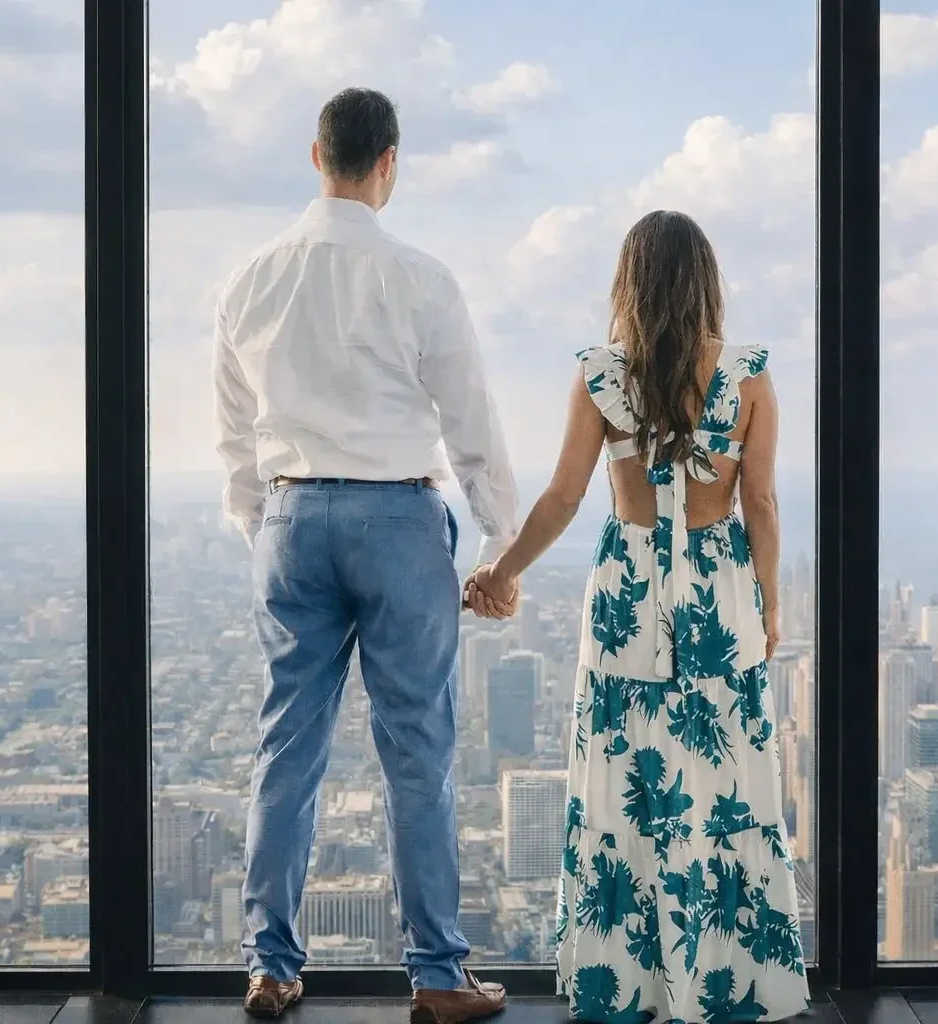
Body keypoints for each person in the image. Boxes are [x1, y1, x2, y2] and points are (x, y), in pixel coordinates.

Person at [214, 86, 519, 1023]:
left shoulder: (251, 277)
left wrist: (261, 525)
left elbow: (233, 434)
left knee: (286, 750)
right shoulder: (422, 277)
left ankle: (270, 966)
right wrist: (502, 546)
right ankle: (435, 976)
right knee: (417, 754)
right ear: (390, 162)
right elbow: (471, 423)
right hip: (396, 522)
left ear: (317, 156)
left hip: (292, 517)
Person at [465, 211, 810, 1022]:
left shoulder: (598, 373)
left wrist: (499, 572)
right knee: (724, 783)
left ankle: (626, 987)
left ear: (630, 281)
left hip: (627, 600)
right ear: (706, 280)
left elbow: (562, 498)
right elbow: (757, 499)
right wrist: (768, 603)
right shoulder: (751, 373)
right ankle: (726, 985)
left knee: (625, 790)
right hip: (717, 594)